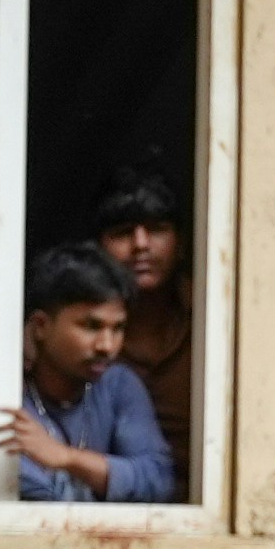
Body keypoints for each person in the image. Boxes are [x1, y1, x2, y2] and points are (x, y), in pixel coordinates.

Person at [0, 244, 173, 507]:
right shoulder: (7, 393)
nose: (107, 346)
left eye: (118, 328)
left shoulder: (118, 385)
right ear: (40, 326)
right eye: (91, 326)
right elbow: (38, 503)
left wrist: (67, 458)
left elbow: (159, 481)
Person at [88, 174, 198, 435]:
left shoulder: (215, 313)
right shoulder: (78, 324)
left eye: (156, 229)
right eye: (123, 233)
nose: (140, 244)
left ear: (181, 244)